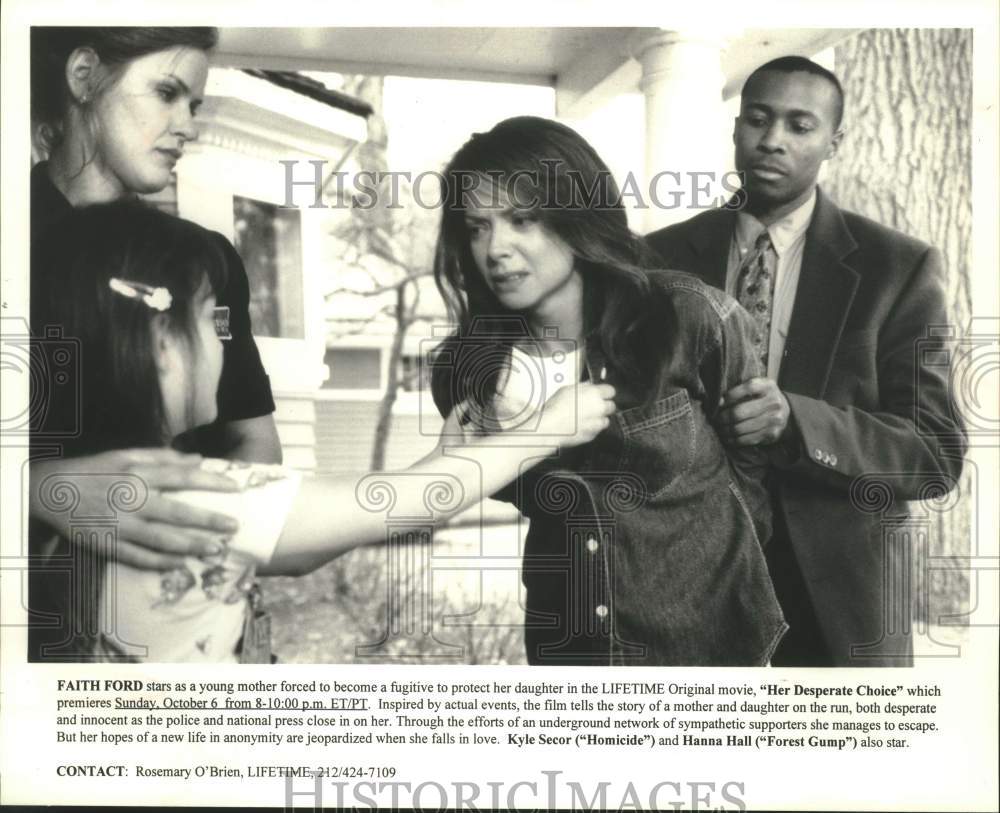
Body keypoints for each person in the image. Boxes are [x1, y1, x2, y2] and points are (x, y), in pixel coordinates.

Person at [29, 201, 617, 662]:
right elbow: (402, 504)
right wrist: (547, 429)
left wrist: (438, 462)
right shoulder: (187, 491)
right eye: (212, 321)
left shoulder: (68, 502)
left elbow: (296, 554)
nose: (224, 342)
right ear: (162, 345)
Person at [430, 116, 786, 666]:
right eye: (477, 227)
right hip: (570, 646)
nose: (495, 248)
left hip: (709, 647)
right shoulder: (466, 369)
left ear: (577, 215)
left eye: (522, 220)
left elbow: (753, 463)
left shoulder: (688, 315)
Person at [646, 56, 967, 666]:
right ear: (736, 128)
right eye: (758, 120)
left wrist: (796, 421)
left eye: (800, 125)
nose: (773, 140)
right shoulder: (656, 260)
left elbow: (935, 453)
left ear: (833, 143)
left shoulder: (897, 268)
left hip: (837, 605)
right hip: (684, 584)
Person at [29, 27, 279, 571]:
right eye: (167, 93)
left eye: (194, 106)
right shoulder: (14, 239)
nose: (188, 126)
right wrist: (38, 489)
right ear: (83, 76)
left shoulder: (203, 263)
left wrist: (206, 560)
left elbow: (254, 441)